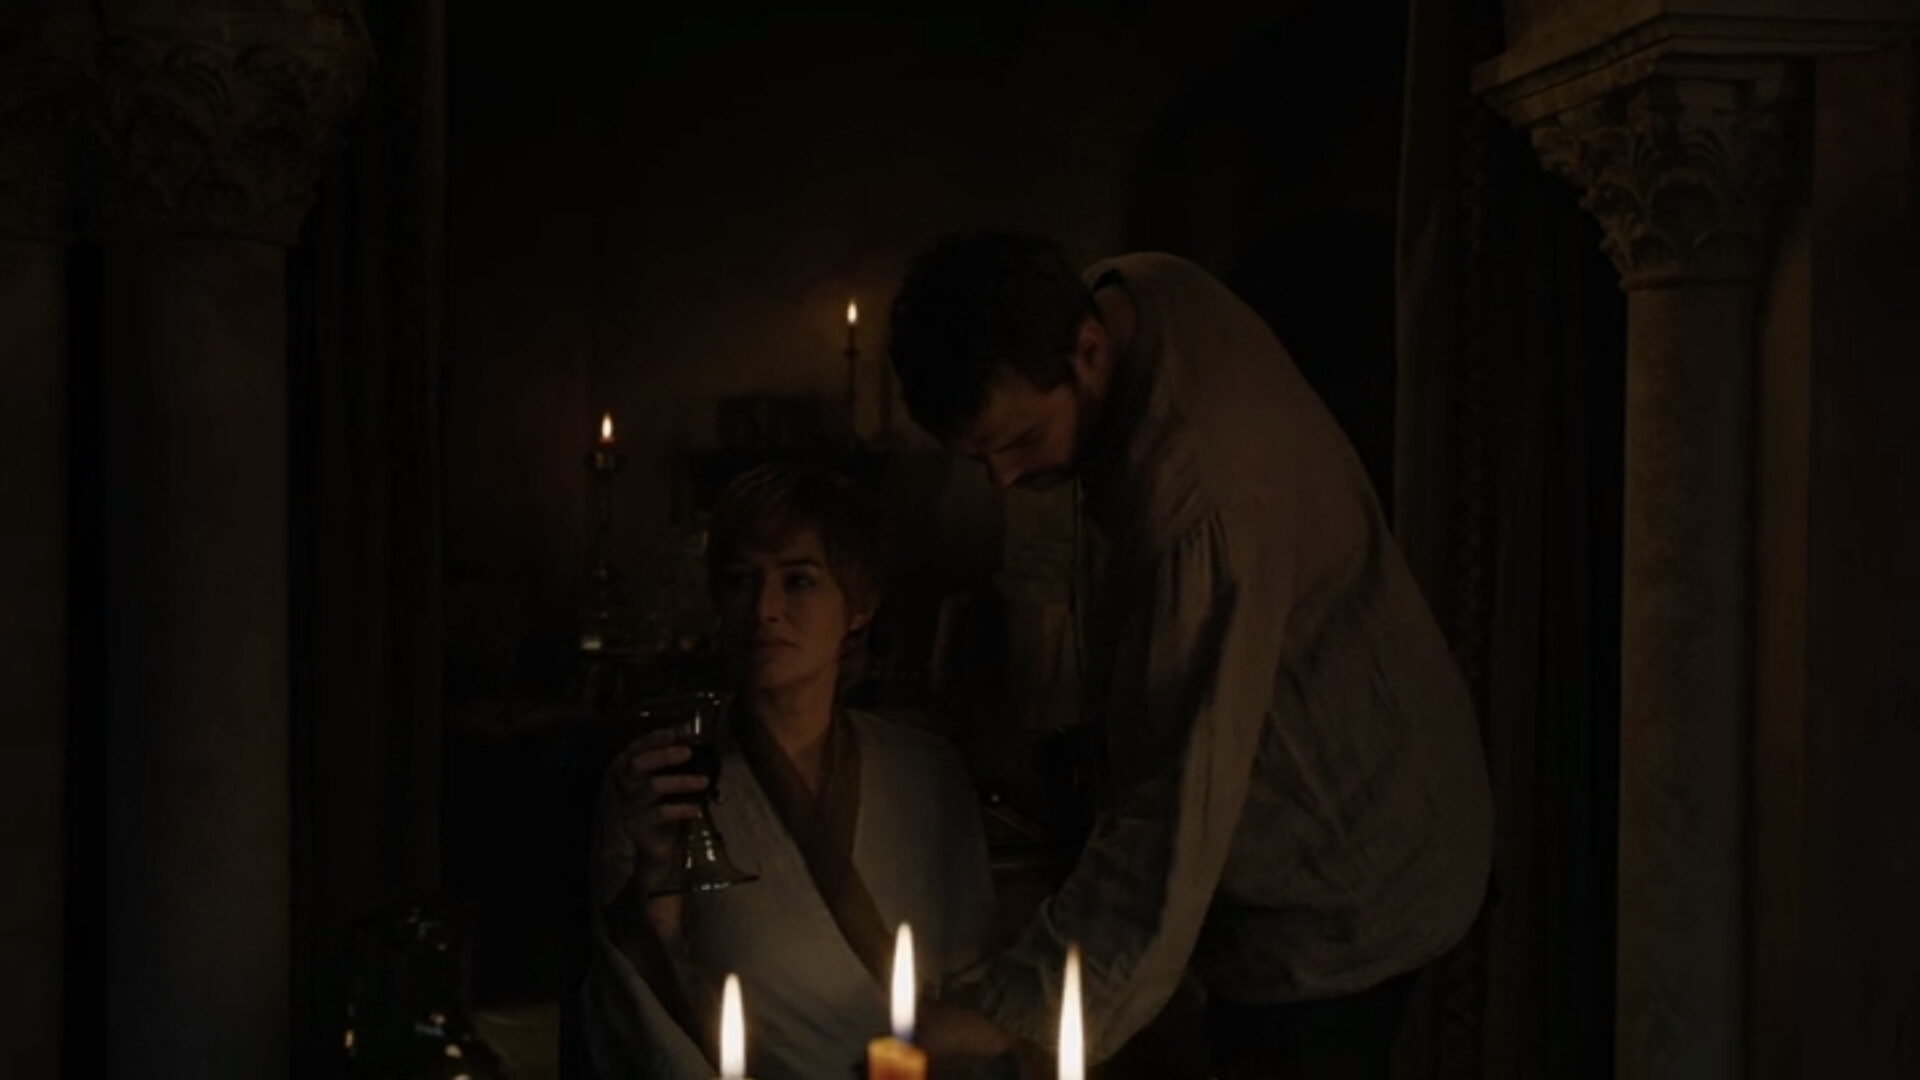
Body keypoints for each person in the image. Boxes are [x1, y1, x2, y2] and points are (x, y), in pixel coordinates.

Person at [885, 232, 1494, 1079]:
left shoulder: (1195, 503)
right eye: (980, 456)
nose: (1004, 480)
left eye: (1020, 441)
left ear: (1087, 350)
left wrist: (1010, 1006)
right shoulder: (1140, 288)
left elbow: (1174, 802)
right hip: (1347, 818)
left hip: (1343, 874)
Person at [578, 461, 1001, 1080]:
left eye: (799, 581)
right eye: (739, 581)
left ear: (858, 605)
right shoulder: (657, 780)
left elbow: (973, 986)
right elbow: (633, 1006)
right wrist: (652, 886)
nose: (764, 610)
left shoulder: (927, 772)